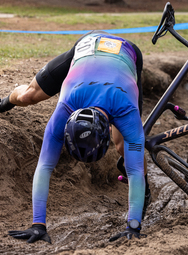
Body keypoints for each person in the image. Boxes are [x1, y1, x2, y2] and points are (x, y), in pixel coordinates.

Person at [6, 31, 149, 243]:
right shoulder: (64, 109)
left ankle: (144, 194)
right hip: (87, 47)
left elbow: (135, 170)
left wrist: (133, 226)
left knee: (123, 147)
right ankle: (4, 101)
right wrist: (38, 225)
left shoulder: (126, 111)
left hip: (126, 53)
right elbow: (44, 165)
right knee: (28, 95)